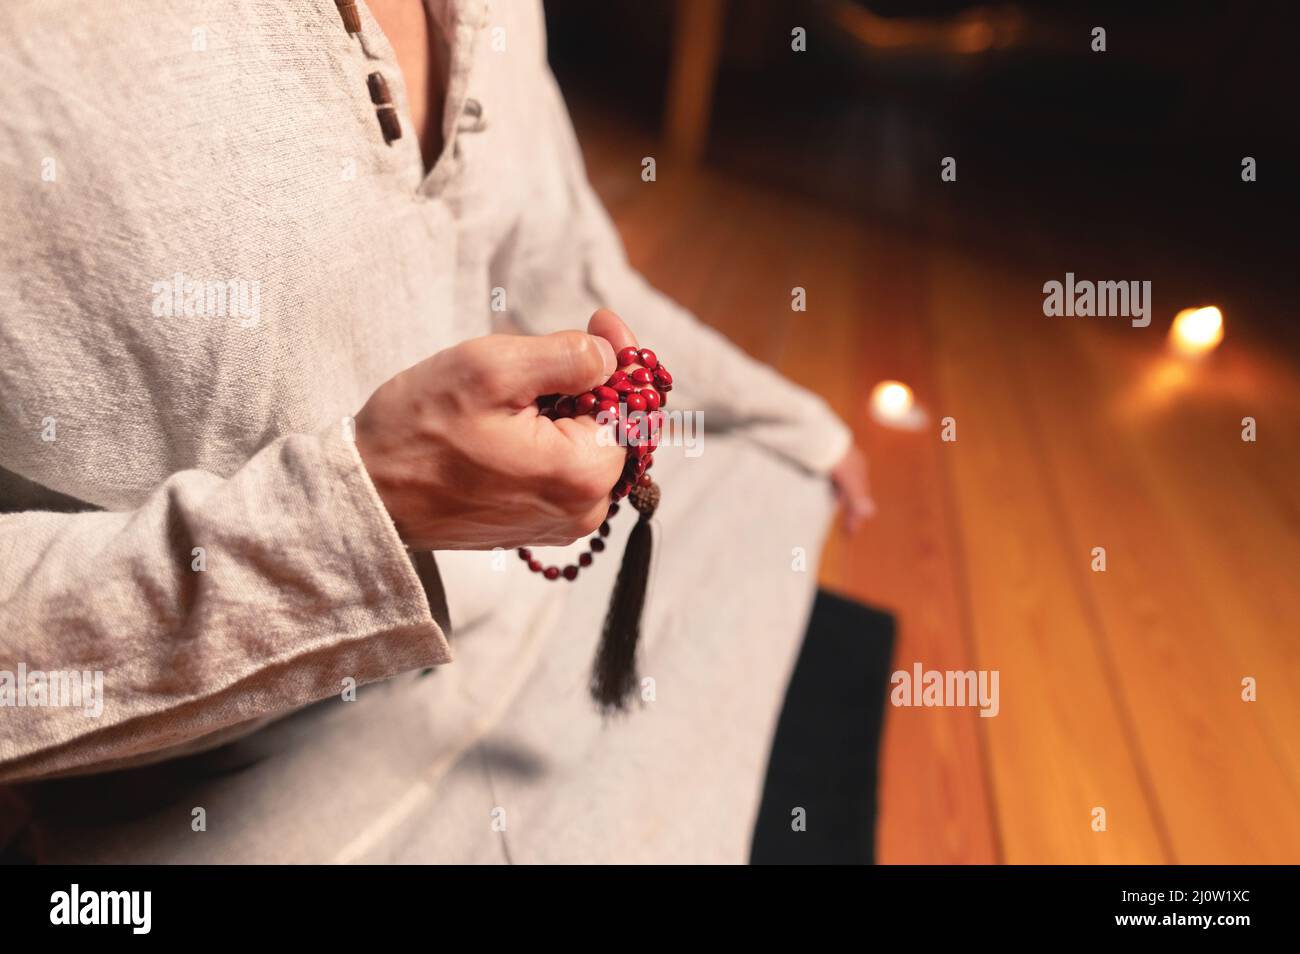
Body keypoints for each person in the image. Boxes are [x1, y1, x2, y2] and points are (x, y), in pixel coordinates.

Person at [0, 0, 871, 863]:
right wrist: (358, 517)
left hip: (518, 595)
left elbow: (566, 269)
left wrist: (794, 419)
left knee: (782, 477)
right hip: (203, 766)